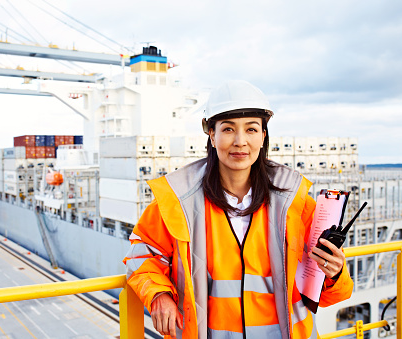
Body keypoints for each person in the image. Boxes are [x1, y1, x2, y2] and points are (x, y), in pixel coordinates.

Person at [123, 80, 353, 339]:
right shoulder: (179, 200)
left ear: (263, 135)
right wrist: (159, 294)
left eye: (252, 129)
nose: (241, 141)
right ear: (212, 134)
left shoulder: (295, 204)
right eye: (228, 129)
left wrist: (335, 273)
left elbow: (329, 295)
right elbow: (142, 254)